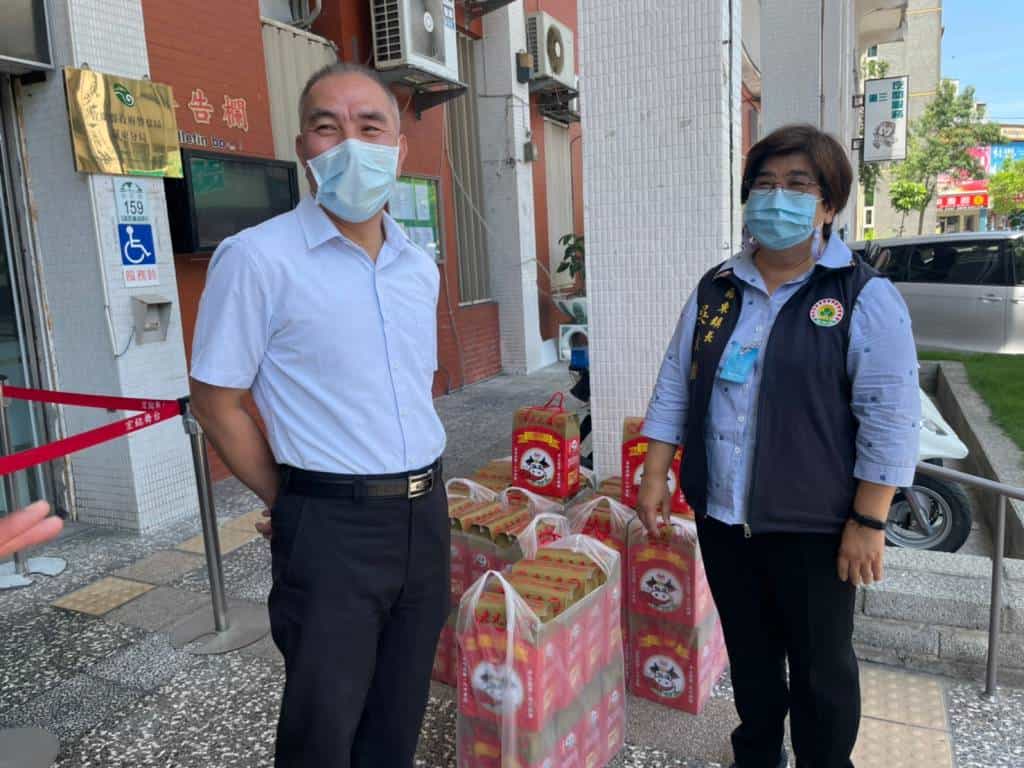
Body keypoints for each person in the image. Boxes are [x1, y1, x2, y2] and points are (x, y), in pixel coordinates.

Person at [189, 62, 448, 768]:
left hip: (426, 516)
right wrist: (292, 499)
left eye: (371, 126)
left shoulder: (417, 266)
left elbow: (407, 391)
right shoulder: (257, 259)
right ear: (304, 147)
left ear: (399, 149)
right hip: (330, 529)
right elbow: (215, 400)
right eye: (328, 126)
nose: (350, 143)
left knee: (399, 714)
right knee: (323, 727)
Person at [638, 124, 920, 768]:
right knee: (752, 657)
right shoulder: (716, 288)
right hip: (723, 517)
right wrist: (656, 474)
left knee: (821, 671)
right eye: (764, 184)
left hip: (816, 527)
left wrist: (870, 520)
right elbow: (676, 382)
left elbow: (890, 417)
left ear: (828, 204)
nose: (777, 198)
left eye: (797, 185)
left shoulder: (862, 296)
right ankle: (757, 755)